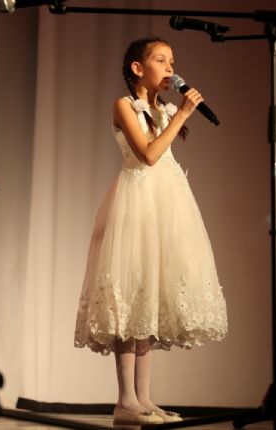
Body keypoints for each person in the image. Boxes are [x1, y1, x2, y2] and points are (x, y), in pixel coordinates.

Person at [74, 36, 228, 425]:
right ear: (138, 68)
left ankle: (144, 398)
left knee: (150, 300)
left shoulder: (162, 110)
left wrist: (175, 114)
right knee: (131, 296)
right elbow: (148, 154)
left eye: (172, 61)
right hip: (137, 204)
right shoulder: (124, 105)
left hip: (167, 205)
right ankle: (125, 400)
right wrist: (182, 115)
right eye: (161, 60)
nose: (170, 68)